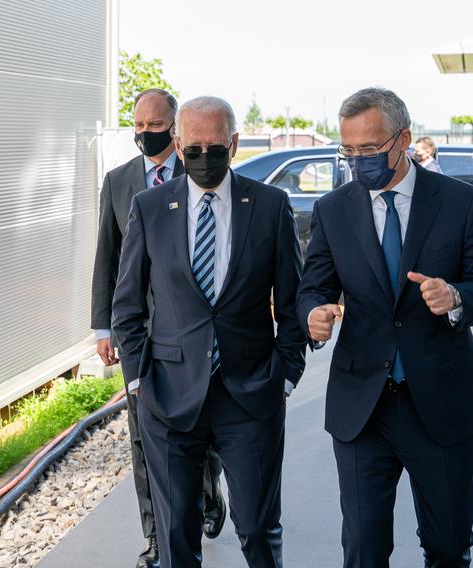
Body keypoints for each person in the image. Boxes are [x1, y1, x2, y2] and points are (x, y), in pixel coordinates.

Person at [296, 88, 473, 568]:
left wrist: (455, 296)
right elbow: (312, 288)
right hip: (361, 410)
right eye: (348, 151)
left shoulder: (461, 203)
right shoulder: (333, 209)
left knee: (449, 547)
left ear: (404, 139)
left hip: (440, 404)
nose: (357, 161)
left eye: (369, 150)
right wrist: (313, 314)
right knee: (364, 552)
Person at [112, 96, 306, 568]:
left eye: (215, 148)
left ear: (234, 144)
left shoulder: (269, 206)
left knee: (259, 529)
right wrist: (140, 381)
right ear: (178, 145)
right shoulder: (150, 206)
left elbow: (293, 300)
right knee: (177, 536)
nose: (203, 158)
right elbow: (128, 305)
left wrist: (285, 374)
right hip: (169, 397)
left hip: (251, 393)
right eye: (193, 148)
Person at [90, 88, 225, 568]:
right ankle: (157, 540)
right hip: (137, 333)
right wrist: (103, 328)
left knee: (199, 425)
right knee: (144, 438)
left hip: (187, 334)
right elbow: (107, 258)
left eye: (153, 126)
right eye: (138, 126)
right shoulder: (119, 181)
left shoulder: (201, 172)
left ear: (174, 127)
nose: (144, 134)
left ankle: (207, 492)